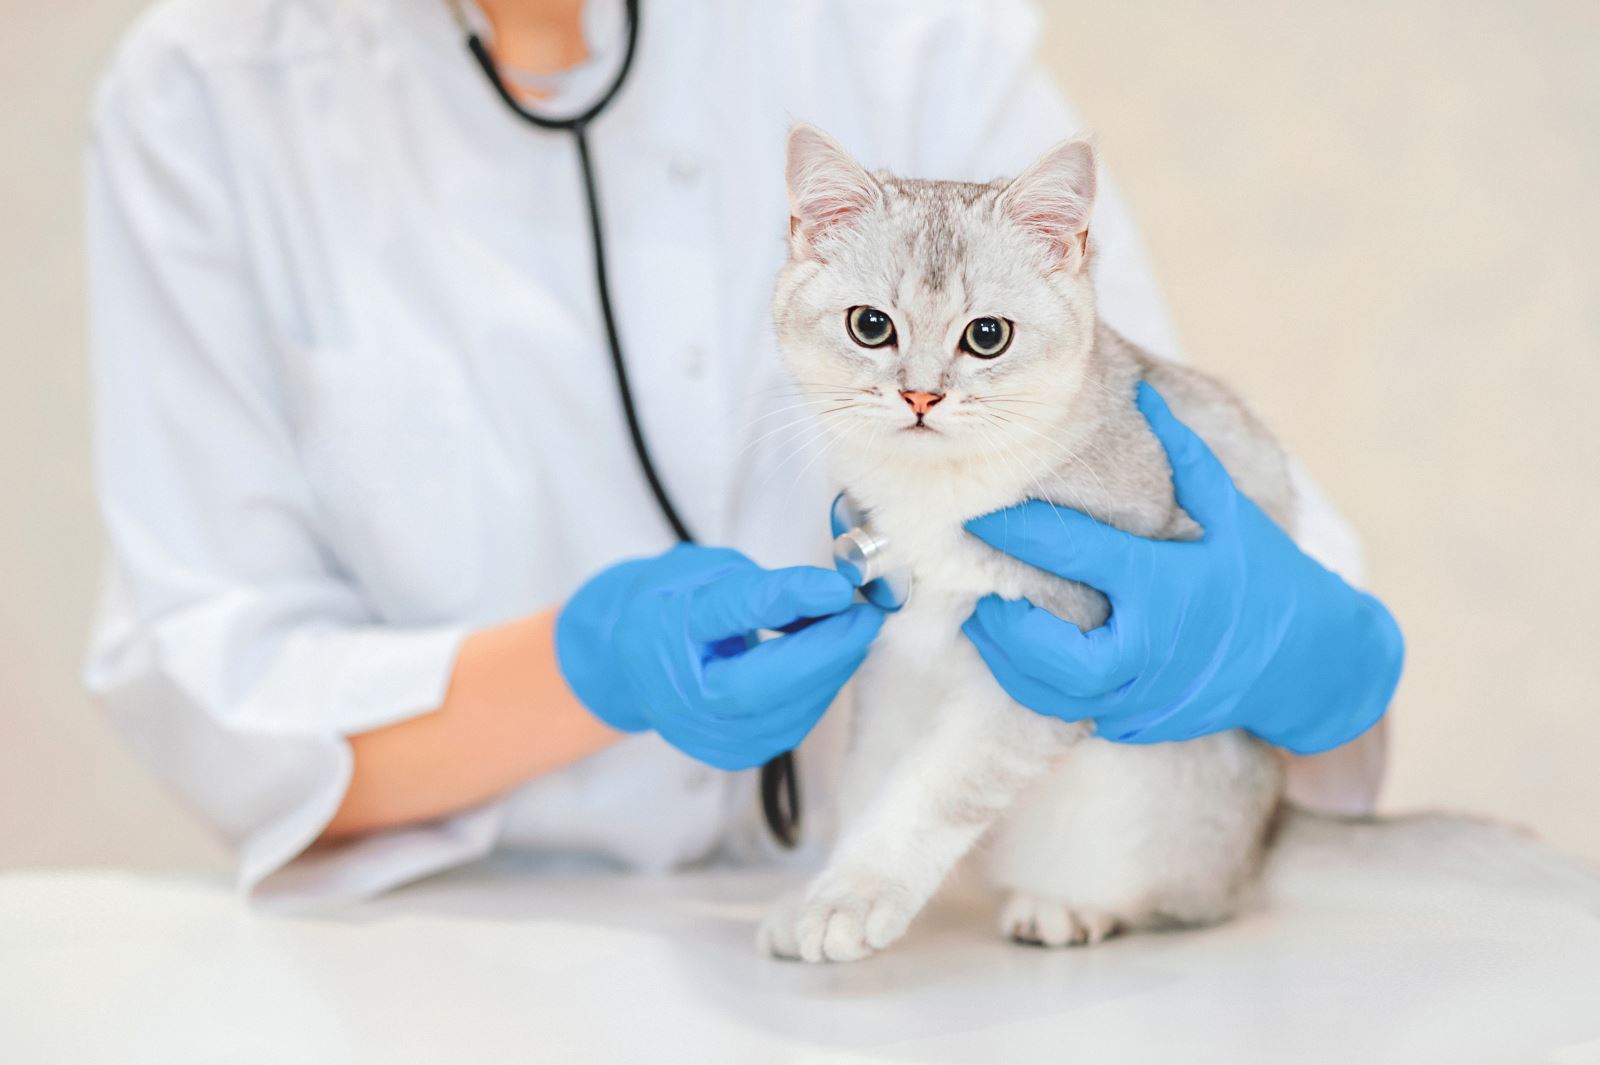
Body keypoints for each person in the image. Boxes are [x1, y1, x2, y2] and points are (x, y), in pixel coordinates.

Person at [84, 0, 1400, 905]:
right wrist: (583, 663)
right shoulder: (205, 90)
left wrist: (1300, 647)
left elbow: (1128, 429)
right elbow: (230, 694)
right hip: (474, 946)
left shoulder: (883, 24)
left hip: (938, 938)